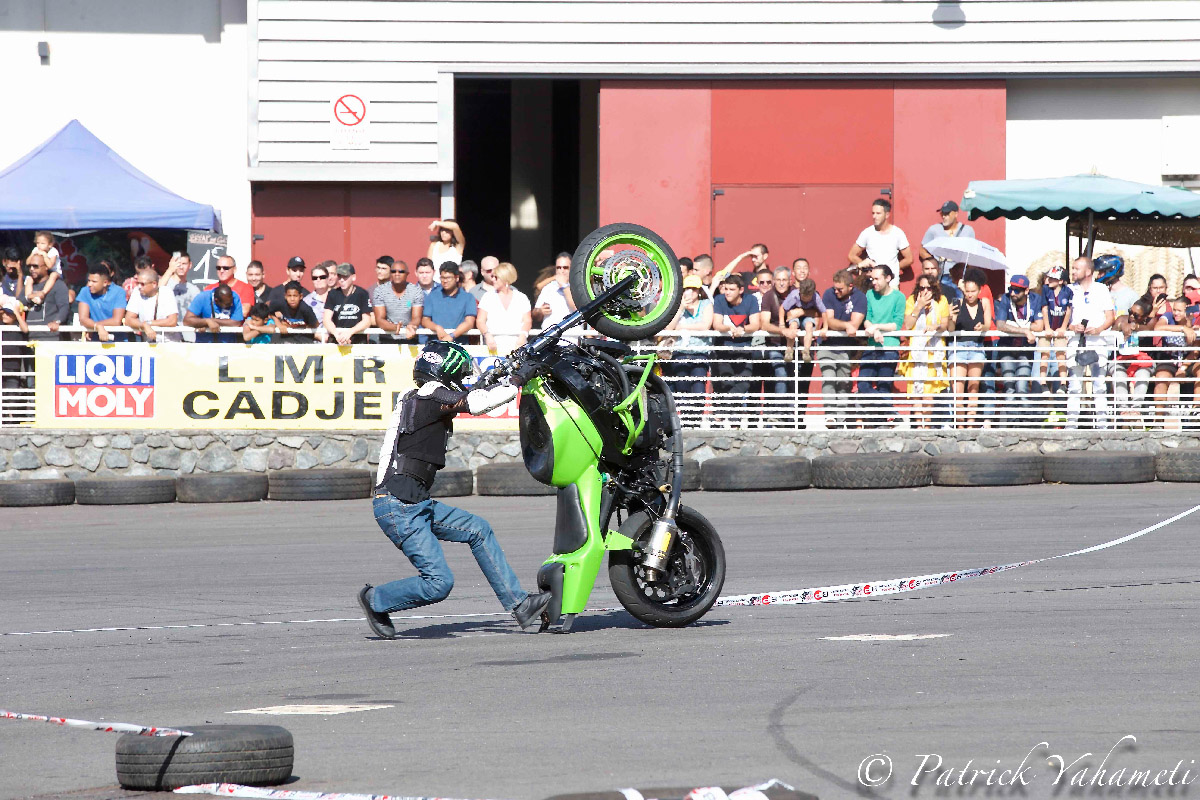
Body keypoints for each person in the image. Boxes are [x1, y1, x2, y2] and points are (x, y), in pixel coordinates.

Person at [358, 341, 551, 639]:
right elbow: (475, 402)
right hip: (399, 507)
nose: (461, 382)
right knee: (438, 583)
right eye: (458, 376)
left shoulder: (422, 397)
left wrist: (498, 380)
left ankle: (520, 605)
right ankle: (375, 600)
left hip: (414, 502)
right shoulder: (427, 395)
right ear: (444, 371)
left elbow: (469, 395)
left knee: (478, 529)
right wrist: (517, 381)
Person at [1064, 256, 1115, 429]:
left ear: (1088, 271)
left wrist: (1098, 329)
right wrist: (1072, 326)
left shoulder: (1101, 289)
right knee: (1074, 384)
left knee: (1099, 383)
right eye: (1073, 268)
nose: (1073, 272)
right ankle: (1071, 424)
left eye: (1076, 268)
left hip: (1098, 341)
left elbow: (1110, 317)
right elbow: (1064, 319)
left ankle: (1102, 425)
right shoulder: (1069, 289)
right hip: (1075, 341)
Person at [900, 274, 950, 428]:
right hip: (916, 352)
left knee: (929, 394)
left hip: (933, 352)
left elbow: (944, 324)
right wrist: (919, 306)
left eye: (929, 287)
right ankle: (919, 427)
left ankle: (927, 426)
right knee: (916, 393)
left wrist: (935, 327)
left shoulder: (942, 300)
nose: (926, 291)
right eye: (922, 288)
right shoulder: (911, 300)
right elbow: (908, 325)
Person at [819, 269, 867, 429]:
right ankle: (830, 417)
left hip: (846, 347)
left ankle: (840, 419)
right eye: (835, 288)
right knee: (829, 377)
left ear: (850, 286)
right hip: (827, 345)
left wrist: (848, 325)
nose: (836, 292)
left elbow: (855, 324)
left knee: (844, 382)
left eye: (840, 289)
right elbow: (830, 321)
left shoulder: (859, 297)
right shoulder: (829, 294)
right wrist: (845, 325)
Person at [661, 275, 713, 421]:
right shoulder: (677, 306)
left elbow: (705, 326)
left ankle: (695, 420)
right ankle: (684, 421)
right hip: (679, 353)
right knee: (682, 387)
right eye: (686, 289)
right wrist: (681, 308)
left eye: (693, 289)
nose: (689, 292)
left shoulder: (706, 304)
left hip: (699, 353)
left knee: (698, 389)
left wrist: (683, 326)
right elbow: (669, 328)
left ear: (698, 291)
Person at [992, 274, 1044, 421]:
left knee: (1021, 387)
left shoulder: (1035, 299)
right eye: (1011, 289)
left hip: (1025, 348)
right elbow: (1000, 325)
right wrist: (1026, 330)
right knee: (1009, 387)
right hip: (1007, 348)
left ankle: (1025, 422)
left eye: (1017, 290)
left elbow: (1039, 326)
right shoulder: (1006, 299)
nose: (1013, 292)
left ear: (1026, 291)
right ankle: (1010, 422)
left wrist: (1014, 325)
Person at [711, 274, 760, 425]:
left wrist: (742, 329)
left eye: (732, 289)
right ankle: (734, 419)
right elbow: (717, 324)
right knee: (727, 382)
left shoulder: (751, 300)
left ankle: (723, 407)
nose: (727, 292)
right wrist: (729, 328)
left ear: (741, 290)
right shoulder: (719, 299)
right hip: (723, 348)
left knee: (744, 382)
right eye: (726, 289)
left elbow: (755, 324)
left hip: (745, 348)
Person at [860, 265, 906, 425]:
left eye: (877, 278)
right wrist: (872, 330)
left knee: (884, 385)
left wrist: (877, 327)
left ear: (888, 278)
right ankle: (891, 410)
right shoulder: (869, 294)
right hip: (872, 345)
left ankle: (880, 420)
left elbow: (897, 324)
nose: (874, 282)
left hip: (890, 347)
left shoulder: (899, 297)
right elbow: (867, 318)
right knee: (863, 383)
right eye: (872, 279)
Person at [948, 274, 992, 427]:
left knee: (974, 388)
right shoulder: (957, 303)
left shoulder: (984, 303)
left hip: (976, 347)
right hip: (958, 347)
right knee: (957, 390)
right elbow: (951, 329)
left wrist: (982, 327)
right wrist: (950, 317)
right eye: (967, 291)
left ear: (979, 290)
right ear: (963, 290)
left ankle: (971, 424)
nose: (970, 294)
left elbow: (988, 324)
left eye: (973, 291)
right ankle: (959, 425)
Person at [1112, 297, 1156, 427]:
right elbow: (1112, 333)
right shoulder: (1122, 319)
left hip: (1142, 361)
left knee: (1143, 374)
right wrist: (1121, 326)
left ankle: (1136, 408)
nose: (1131, 316)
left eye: (1136, 315)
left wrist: (1136, 327)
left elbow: (1150, 329)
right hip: (1121, 359)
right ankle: (1124, 409)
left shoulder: (1151, 322)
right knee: (1118, 374)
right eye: (1130, 312)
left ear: (1145, 317)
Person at [849, 198, 912, 285]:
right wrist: (865, 265)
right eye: (873, 213)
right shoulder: (867, 233)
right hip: (872, 283)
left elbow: (909, 259)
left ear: (887, 215)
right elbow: (852, 255)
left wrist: (892, 269)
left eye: (878, 213)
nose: (874, 216)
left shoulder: (898, 233)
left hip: (891, 284)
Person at [476, 262, 531, 355]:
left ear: (505, 278)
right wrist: (487, 335)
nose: (492, 279)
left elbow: (527, 321)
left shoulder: (521, 297)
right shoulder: (487, 297)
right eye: (492, 276)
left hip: (517, 346)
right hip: (493, 346)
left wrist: (523, 336)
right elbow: (480, 321)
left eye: (496, 277)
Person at [756, 266, 793, 397]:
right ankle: (779, 414)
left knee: (795, 379)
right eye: (778, 279)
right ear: (774, 281)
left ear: (790, 281)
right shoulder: (768, 296)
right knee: (781, 374)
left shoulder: (796, 293)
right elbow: (764, 324)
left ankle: (792, 416)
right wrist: (783, 331)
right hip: (775, 343)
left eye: (784, 279)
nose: (781, 283)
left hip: (795, 344)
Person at [17, 254, 70, 344]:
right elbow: (18, 304)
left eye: (35, 266)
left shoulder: (58, 285)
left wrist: (57, 321)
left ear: (46, 267)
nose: (32, 269)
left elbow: (64, 307)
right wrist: (29, 297)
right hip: (28, 338)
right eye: (30, 266)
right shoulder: (28, 286)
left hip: (49, 338)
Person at [1038, 265, 1073, 397]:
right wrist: (1047, 327)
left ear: (1061, 280)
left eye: (1053, 278)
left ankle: (1063, 384)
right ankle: (1043, 383)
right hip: (1048, 326)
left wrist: (1064, 327)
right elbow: (1045, 308)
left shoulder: (1067, 291)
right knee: (1044, 354)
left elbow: (1068, 311)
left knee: (1060, 354)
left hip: (1060, 327)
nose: (1049, 280)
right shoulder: (1046, 290)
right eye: (1049, 277)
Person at [919, 200, 976, 279]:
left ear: (956, 214)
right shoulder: (934, 229)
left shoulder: (967, 231)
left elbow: (972, 253)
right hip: (940, 276)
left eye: (947, 214)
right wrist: (934, 264)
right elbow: (922, 250)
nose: (943, 216)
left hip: (959, 276)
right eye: (942, 213)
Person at [423, 263, 477, 344]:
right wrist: (437, 328)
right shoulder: (432, 295)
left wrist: (452, 336)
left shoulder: (468, 297)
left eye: (448, 278)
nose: (444, 281)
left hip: (459, 345)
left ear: (457, 278)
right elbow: (425, 320)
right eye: (442, 278)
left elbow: (469, 323)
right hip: (435, 344)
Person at [373, 259, 424, 343]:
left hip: (410, 338)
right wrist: (395, 327)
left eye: (401, 271)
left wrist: (411, 326)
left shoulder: (416, 291)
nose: (397, 274)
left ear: (407, 274)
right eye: (393, 271)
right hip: (387, 339)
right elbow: (379, 319)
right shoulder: (380, 291)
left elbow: (416, 317)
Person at [324, 263, 375, 345]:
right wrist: (337, 335)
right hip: (337, 340)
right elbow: (326, 319)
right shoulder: (332, 294)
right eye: (339, 276)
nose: (341, 280)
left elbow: (366, 320)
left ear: (353, 277)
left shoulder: (362, 294)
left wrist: (350, 332)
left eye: (345, 277)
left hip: (358, 340)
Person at [124, 268, 180, 342]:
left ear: (154, 284)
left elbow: (172, 321)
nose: (139, 287)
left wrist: (148, 323)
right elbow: (128, 319)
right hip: (148, 344)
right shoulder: (136, 292)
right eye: (138, 283)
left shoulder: (166, 292)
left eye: (142, 284)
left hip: (169, 342)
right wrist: (143, 325)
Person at [77, 263, 127, 342]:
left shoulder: (119, 292)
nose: (90, 284)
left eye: (94, 281)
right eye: (89, 280)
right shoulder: (85, 291)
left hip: (117, 340)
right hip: (94, 339)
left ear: (105, 283)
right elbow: (83, 319)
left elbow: (116, 320)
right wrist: (97, 327)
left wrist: (96, 325)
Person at [533, 253, 576, 330]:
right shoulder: (548, 288)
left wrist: (564, 286)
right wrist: (540, 311)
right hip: (550, 336)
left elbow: (576, 309)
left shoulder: (578, 286)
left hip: (572, 336)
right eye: (558, 268)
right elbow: (535, 314)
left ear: (572, 268)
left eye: (565, 268)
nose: (561, 271)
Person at [24, 231, 61, 303]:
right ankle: (28, 296)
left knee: (53, 275)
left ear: (50, 244)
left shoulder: (53, 251)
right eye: (38, 243)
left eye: (42, 243)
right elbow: (27, 262)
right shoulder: (35, 249)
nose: (39, 245)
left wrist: (44, 255)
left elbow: (50, 266)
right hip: (42, 272)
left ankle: (43, 292)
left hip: (54, 271)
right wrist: (32, 254)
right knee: (29, 278)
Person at [304, 261, 336, 327]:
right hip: (315, 336)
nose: (318, 280)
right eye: (315, 278)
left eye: (322, 277)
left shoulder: (337, 296)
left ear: (327, 278)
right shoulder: (306, 301)